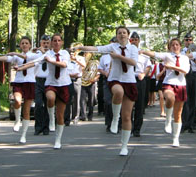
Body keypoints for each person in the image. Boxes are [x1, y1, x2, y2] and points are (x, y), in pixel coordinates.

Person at [76, 26, 138, 156]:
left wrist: (118, 57)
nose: (121, 35)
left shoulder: (133, 48)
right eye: (119, 33)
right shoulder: (113, 47)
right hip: (115, 79)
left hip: (129, 81)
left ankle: (124, 146)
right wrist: (81, 48)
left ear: (128, 35)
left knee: (127, 116)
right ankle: (115, 118)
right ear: (116, 36)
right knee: (118, 92)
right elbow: (97, 48)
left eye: (124, 33)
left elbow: (133, 62)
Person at [15, 33, 71, 149]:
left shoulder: (65, 53)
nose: (56, 43)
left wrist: (51, 60)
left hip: (64, 84)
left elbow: (64, 65)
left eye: (58, 41)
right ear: (51, 43)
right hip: (50, 83)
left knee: (60, 116)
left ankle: (58, 140)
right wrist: (20, 68)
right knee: (50, 98)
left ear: (61, 42)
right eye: (54, 41)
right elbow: (33, 63)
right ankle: (51, 118)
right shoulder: (47, 54)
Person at [0, 36, 38, 143]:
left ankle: (23, 135)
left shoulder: (34, 55)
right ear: (20, 45)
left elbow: (26, 57)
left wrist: (15, 53)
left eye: (26, 43)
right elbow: (6, 58)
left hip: (30, 83)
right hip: (19, 82)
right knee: (17, 100)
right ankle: (17, 120)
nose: (24, 45)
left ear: (29, 45)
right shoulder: (16, 57)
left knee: (27, 110)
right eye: (22, 43)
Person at [141, 38, 190, 147]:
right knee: (170, 98)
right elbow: (155, 54)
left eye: (177, 44)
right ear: (169, 47)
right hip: (169, 83)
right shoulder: (167, 56)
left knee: (178, 114)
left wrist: (171, 66)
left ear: (180, 46)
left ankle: (175, 138)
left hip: (181, 85)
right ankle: (168, 119)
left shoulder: (185, 58)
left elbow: (185, 71)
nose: (175, 46)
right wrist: (143, 51)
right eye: (173, 45)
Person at [130, 32, 152, 137]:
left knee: (140, 105)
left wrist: (144, 74)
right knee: (128, 105)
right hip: (129, 79)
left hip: (139, 79)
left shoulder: (143, 54)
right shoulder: (126, 51)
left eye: (136, 40)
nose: (134, 41)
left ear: (139, 41)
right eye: (132, 40)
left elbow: (148, 66)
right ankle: (128, 126)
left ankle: (137, 129)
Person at [181, 37, 196, 133]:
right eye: (186, 40)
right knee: (185, 100)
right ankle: (184, 123)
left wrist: (193, 58)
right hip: (185, 76)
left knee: (194, 100)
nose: (188, 42)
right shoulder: (181, 52)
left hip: (195, 75)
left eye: (190, 40)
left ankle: (192, 123)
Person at [34, 34, 51, 135]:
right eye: (43, 43)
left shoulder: (52, 54)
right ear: (40, 43)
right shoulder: (36, 53)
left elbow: (48, 58)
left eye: (47, 43)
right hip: (38, 80)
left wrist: (44, 52)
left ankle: (46, 127)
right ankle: (38, 126)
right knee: (38, 104)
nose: (45, 45)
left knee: (47, 104)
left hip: (48, 81)